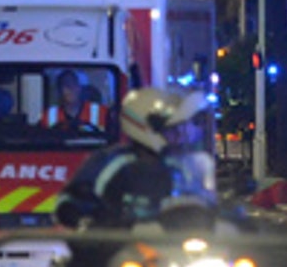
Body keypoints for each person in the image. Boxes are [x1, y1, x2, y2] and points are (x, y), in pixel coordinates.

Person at [56, 86, 198, 229]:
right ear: (148, 128)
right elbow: (70, 202)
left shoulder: (178, 165)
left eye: (180, 127)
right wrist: (88, 223)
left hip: (166, 241)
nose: (179, 133)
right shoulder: (111, 162)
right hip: (119, 240)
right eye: (171, 128)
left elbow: (197, 200)